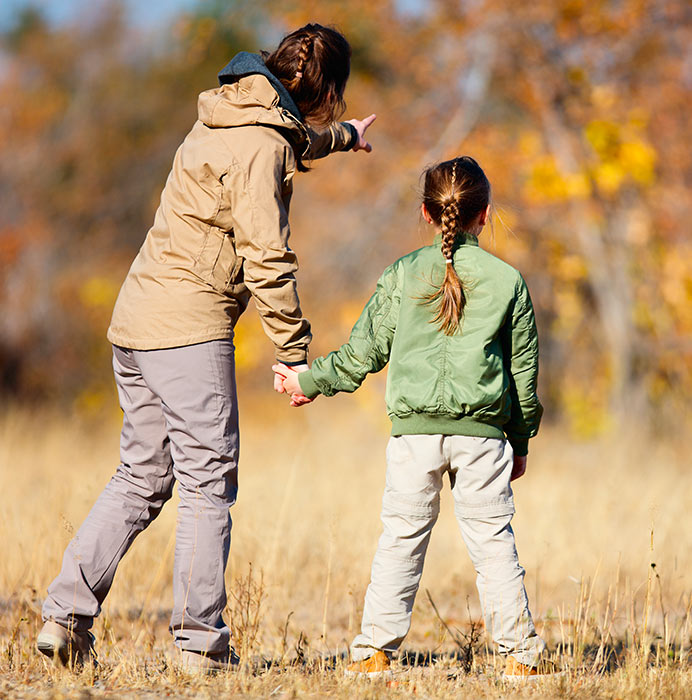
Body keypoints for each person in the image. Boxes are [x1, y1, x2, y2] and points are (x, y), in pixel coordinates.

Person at [37, 23, 376, 672]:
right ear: (326, 89)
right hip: (186, 328)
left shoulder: (232, 112)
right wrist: (295, 351)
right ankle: (200, 646)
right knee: (206, 485)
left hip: (136, 319)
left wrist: (345, 137)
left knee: (143, 475)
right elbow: (267, 254)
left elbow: (290, 137)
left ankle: (64, 617)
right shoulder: (261, 148)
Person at [275, 156, 557, 680]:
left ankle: (374, 652)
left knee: (400, 541)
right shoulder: (508, 281)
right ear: (485, 213)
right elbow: (523, 375)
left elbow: (362, 355)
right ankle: (519, 656)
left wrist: (308, 382)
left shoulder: (402, 275)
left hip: (413, 439)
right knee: (494, 544)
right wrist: (520, 440)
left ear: (426, 213)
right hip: (483, 440)